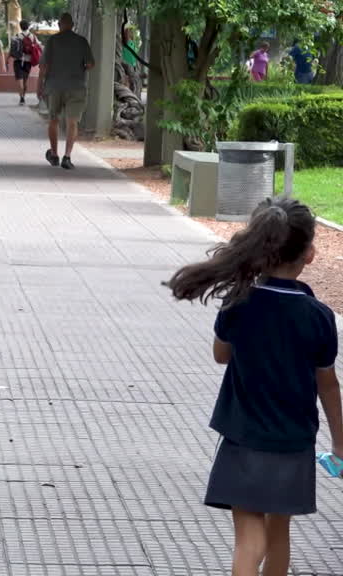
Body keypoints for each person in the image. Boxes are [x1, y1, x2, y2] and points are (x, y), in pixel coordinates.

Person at [165, 196, 343, 576]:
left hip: (243, 436)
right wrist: (340, 444)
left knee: (251, 539)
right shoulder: (319, 316)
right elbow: (328, 386)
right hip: (294, 442)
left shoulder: (240, 302)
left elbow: (221, 354)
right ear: (309, 254)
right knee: (279, 533)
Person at [39, 12, 94, 170]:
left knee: (53, 120)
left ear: (59, 25)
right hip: (76, 86)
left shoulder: (52, 41)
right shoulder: (82, 41)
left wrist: (39, 86)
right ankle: (67, 156)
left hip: (54, 86)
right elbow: (90, 64)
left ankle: (54, 154)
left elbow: (44, 66)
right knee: (72, 122)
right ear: (73, 25)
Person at [7, 20, 39, 106]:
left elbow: (12, 50)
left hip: (18, 60)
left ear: (20, 27)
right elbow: (38, 47)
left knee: (19, 81)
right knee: (25, 81)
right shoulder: (33, 37)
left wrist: (7, 59)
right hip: (28, 61)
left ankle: (21, 98)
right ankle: (23, 97)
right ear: (28, 26)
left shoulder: (17, 36)